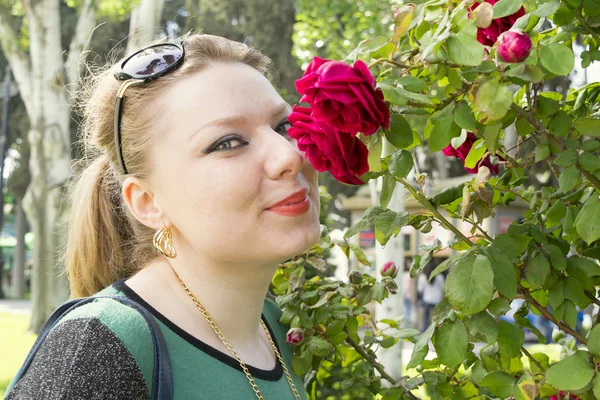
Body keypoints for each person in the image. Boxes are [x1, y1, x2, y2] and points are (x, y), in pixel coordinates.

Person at [5, 33, 321, 399]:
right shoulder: (98, 346)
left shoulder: (279, 330)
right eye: (228, 142)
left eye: (283, 127)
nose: (290, 156)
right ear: (147, 202)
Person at [417, 260, 445, 331]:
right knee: (436, 319)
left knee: (425, 318)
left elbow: (420, 290)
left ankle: (424, 332)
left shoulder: (423, 277)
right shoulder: (440, 277)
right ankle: (436, 332)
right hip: (437, 300)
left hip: (427, 299)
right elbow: (443, 289)